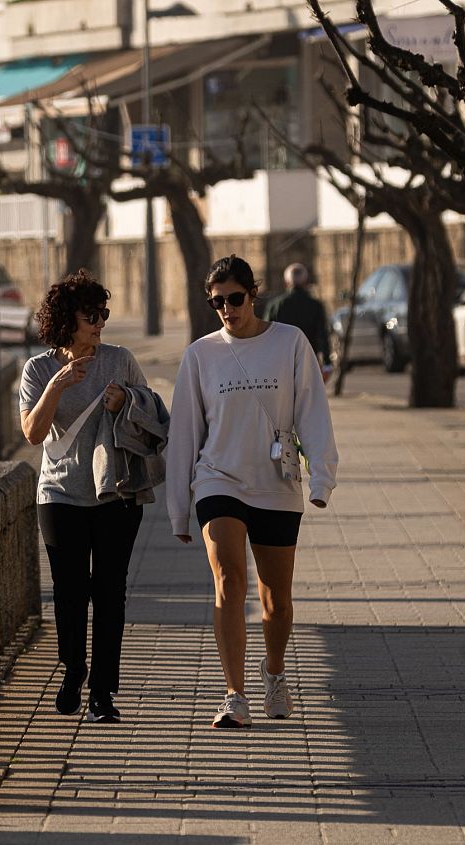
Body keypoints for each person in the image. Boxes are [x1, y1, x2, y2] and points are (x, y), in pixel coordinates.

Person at [166, 254, 339, 728]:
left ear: (253, 294)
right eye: (217, 302)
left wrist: (322, 477)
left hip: (276, 484)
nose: (227, 309)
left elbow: (312, 412)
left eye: (235, 299)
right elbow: (185, 432)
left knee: (276, 598)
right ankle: (234, 695)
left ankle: (276, 673)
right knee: (229, 581)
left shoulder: (290, 343)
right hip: (218, 478)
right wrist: (179, 511)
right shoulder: (200, 354)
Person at [19, 271, 155, 724]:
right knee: (70, 591)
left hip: (115, 492)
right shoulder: (38, 369)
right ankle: (73, 668)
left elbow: (151, 411)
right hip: (59, 495)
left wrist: (126, 402)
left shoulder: (120, 360)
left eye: (104, 314)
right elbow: (33, 433)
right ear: (66, 321)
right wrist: (59, 384)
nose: (99, 323)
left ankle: (102, 691)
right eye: (90, 316)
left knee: (110, 592)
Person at [261, 263, 333, 383]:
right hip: (309, 360)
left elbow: (265, 336)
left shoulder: (275, 306)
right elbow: (323, 335)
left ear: (286, 282)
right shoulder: (316, 306)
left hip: (281, 362)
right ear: (305, 282)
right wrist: (327, 363)